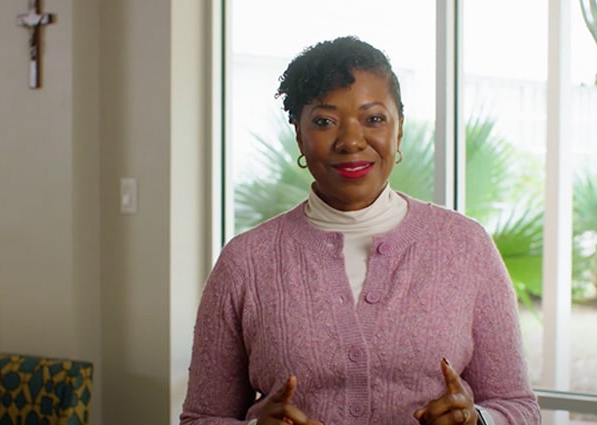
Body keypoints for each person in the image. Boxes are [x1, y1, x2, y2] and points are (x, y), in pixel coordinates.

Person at [180, 35, 541, 425]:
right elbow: (201, 418)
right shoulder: (245, 262)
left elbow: (518, 407)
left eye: (374, 119)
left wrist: (479, 421)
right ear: (299, 134)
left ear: (399, 130)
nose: (351, 141)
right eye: (324, 122)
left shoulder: (465, 246)